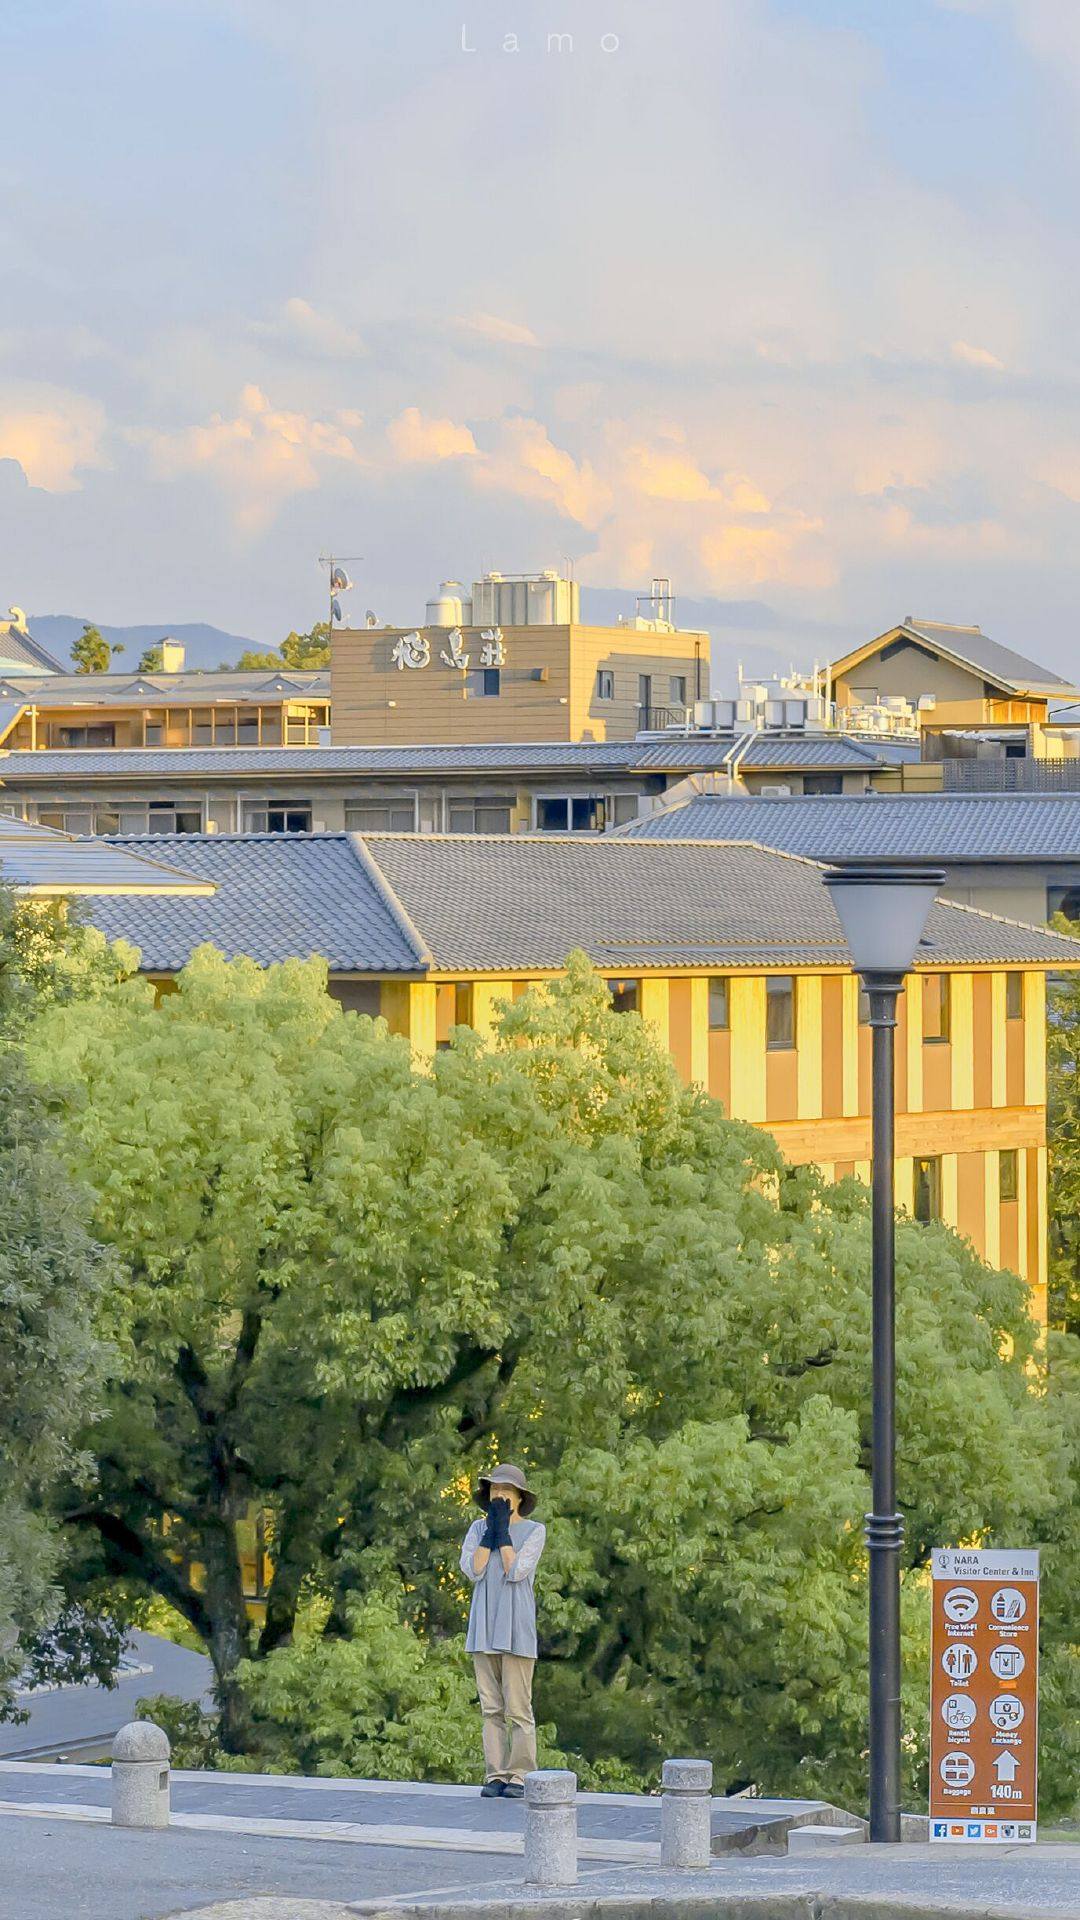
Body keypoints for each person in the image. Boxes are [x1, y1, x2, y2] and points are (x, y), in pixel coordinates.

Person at [459, 1461, 546, 1798]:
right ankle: (495, 1773)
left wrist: (505, 1535)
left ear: (519, 1497)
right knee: (490, 1707)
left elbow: (516, 1571)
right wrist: (490, 1533)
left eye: (506, 1491)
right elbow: (474, 1570)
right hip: (484, 1625)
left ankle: (521, 1774)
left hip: (516, 1627)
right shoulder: (476, 1530)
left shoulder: (535, 1530)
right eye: (495, 1489)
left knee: (519, 1708)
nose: (499, 1495)